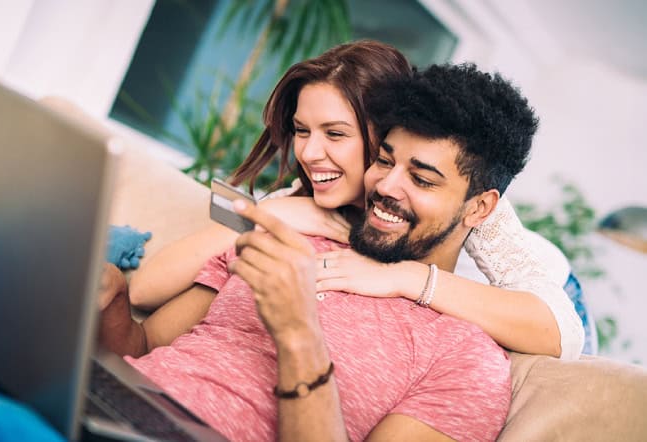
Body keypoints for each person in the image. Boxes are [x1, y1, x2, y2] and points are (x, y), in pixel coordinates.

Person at [99, 62, 546, 440]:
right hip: (104, 411)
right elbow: (142, 348)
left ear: (480, 207)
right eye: (385, 161)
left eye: (422, 179)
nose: (386, 187)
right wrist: (112, 300)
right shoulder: (288, 243)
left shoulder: (466, 359)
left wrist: (298, 334)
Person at [129, 40, 584, 359]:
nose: (308, 152)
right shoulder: (316, 195)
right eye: (302, 131)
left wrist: (405, 277)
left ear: (381, 132)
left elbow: (563, 331)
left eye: (336, 134)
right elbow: (147, 289)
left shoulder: (471, 209)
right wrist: (273, 212)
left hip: (555, 287)